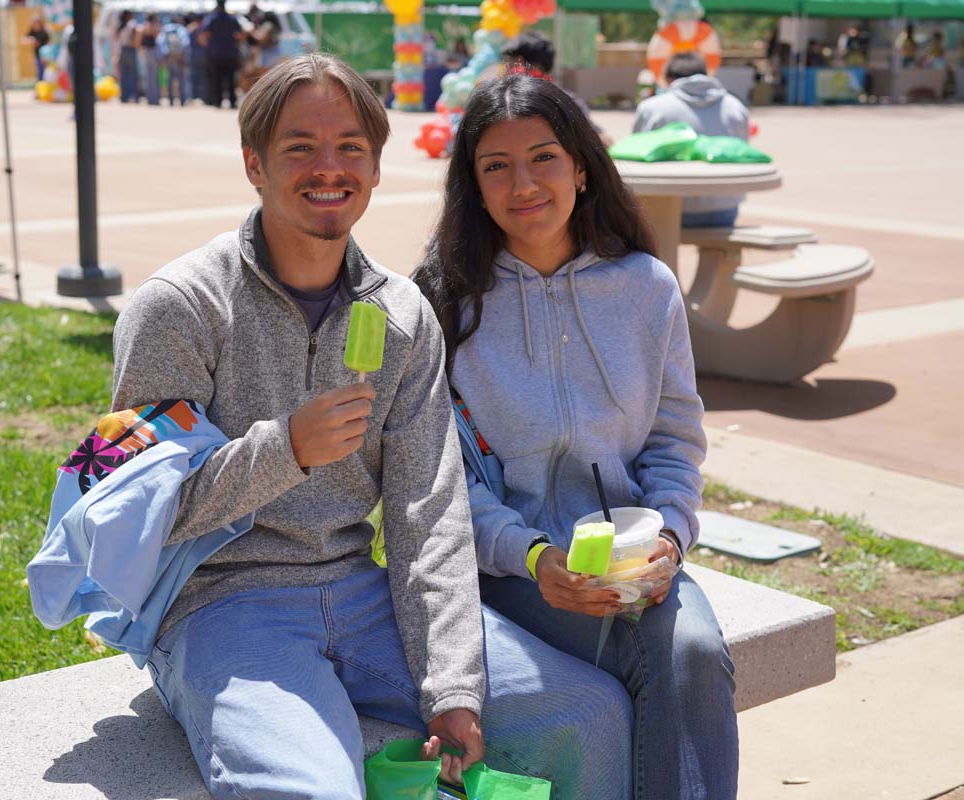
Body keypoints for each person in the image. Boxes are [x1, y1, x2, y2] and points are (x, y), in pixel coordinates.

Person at [113, 53, 633, 800]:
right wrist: (283, 449)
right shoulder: (179, 307)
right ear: (254, 164)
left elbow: (430, 511)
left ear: (377, 168)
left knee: (589, 712)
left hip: (362, 595)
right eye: (301, 148)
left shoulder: (399, 315)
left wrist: (452, 686)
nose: (330, 168)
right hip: (221, 608)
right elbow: (138, 510)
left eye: (350, 147)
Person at [413, 72, 738, 800]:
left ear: (583, 168)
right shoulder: (442, 301)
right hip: (509, 573)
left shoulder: (646, 288)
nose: (522, 183)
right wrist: (534, 559)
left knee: (692, 651)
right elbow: (437, 479)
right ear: (473, 184)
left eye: (544, 157)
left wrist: (671, 542)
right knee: (649, 669)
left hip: (634, 563)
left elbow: (675, 439)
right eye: (495, 166)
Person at [633, 51, 749, 228]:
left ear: (668, 78)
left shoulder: (652, 108)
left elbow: (635, 156)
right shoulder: (735, 107)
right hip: (725, 208)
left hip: (667, 208)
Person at [501, 30, 613, 147]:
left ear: (519, 61)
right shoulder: (566, 98)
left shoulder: (505, 100)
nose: (505, 67)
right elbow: (603, 140)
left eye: (508, 61)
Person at [198, 0, 243, 109]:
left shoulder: (212, 18)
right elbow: (240, 35)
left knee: (216, 79)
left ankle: (217, 102)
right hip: (230, 53)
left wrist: (207, 46)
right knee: (231, 79)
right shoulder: (232, 19)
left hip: (215, 53)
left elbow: (203, 35)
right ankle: (232, 101)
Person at [160, 15, 190, 107]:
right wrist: (184, 55)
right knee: (182, 79)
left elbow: (161, 42)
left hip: (169, 56)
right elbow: (186, 43)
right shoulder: (181, 29)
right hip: (180, 57)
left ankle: (171, 101)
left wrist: (164, 55)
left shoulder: (166, 29)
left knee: (170, 78)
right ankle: (182, 100)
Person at [114, 10, 140, 103]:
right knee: (133, 74)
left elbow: (117, 41)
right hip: (130, 50)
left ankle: (124, 97)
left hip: (122, 51)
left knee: (124, 75)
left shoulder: (120, 26)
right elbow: (137, 35)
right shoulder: (132, 24)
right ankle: (134, 97)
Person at [138, 13, 163, 106]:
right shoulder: (147, 26)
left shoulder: (143, 26)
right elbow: (156, 34)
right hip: (150, 51)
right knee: (152, 77)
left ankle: (153, 99)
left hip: (149, 51)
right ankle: (153, 99)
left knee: (151, 77)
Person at [22, 15, 50, 82]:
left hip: (46, 56)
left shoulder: (44, 31)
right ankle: (41, 87)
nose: (33, 25)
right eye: (32, 23)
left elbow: (49, 42)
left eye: (35, 23)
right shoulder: (32, 31)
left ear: (39, 23)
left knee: (46, 72)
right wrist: (31, 39)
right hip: (37, 56)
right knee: (40, 73)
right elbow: (23, 40)